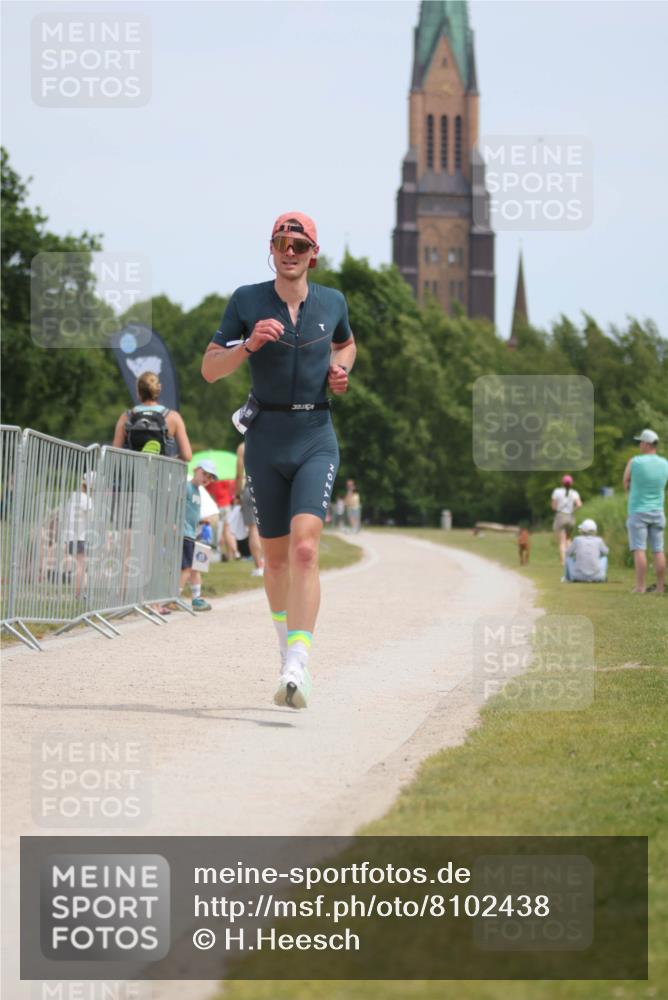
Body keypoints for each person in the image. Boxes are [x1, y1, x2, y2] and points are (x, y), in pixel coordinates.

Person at [201, 211, 356, 709]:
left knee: (306, 551)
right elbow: (208, 370)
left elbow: (347, 345)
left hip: (315, 434)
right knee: (273, 560)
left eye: (299, 244)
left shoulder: (333, 301)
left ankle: (298, 663)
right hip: (266, 439)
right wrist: (247, 346)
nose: (290, 252)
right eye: (281, 243)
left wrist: (339, 370)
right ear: (271, 249)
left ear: (314, 252)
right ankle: (285, 648)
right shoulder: (247, 300)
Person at [623, 428, 668, 594]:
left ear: (647, 444)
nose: (639, 444)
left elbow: (625, 481)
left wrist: (631, 490)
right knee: (658, 549)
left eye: (640, 442)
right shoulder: (665, 463)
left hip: (638, 511)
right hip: (658, 511)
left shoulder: (634, 462)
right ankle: (661, 587)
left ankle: (641, 586)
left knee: (639, 549)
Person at [112, 371, 192, 461]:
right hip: (161, 472)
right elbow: (187, 455)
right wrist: (173, 459)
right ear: (159, 389)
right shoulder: (173, 417)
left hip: (133, 472)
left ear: (138, 392)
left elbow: (115, 453)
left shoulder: (126, 417)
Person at [180, 460, 217, 611]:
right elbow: (179, 505)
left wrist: (202, 521)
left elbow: (192, 512)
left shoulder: (198, 491)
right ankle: (175, 597)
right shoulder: (187, 487)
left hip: (192, 533)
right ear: (196, 470)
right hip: (184, 533)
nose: (206, 479)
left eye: (210, 477)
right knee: (187, 568)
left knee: (195, 567)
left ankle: (196, 598)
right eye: (204, 474)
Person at [235, 441, 264, 577]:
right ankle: (271, 563)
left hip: (251, 487)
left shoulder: (243, 447)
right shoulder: (269, 440)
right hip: (270, 486)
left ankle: (259, 566)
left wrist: (237, 495)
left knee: (253, 529)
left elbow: (239, 475)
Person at [63, 472, 94, 597]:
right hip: (79, 537)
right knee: (81, 566)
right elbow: (91, 516)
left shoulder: (74, 496)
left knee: (79, 565)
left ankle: (79, 592)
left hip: (71, 536)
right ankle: (79, 593)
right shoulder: (85, 499)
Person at [551, 475, 582, 565]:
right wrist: (572, 510)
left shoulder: (557, 491)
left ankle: (563, 561)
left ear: (562, 483)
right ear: (571, 483)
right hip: (571, 517)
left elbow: (553, 506)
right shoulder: (575, 493)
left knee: (562, 540)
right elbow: (579, 504)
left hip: (561, 516)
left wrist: (558, 509)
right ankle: (573, 558)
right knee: (568, 538)